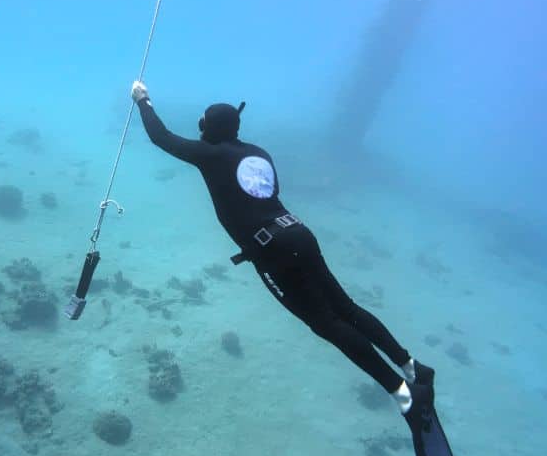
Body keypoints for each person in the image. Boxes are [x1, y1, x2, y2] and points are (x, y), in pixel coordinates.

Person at [130, 80, 436, 421]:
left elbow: (161, 137)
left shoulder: (210, 155)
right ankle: (412, 367)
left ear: (209, 128)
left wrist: (143, 100)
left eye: (203, 123)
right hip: (299, 233)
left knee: (326, 323)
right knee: (345, 307)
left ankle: (403, 394)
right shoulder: (258, 153)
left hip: (272, 249)